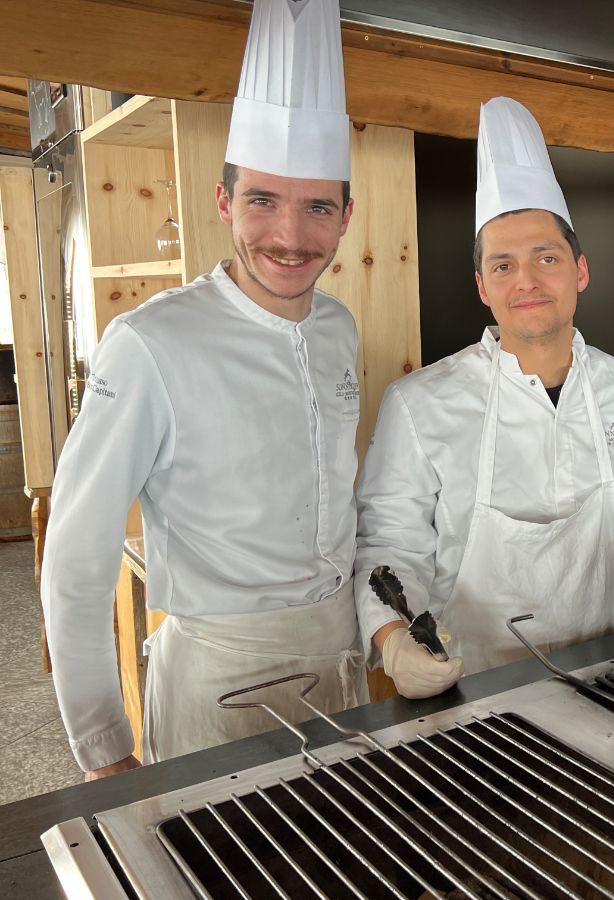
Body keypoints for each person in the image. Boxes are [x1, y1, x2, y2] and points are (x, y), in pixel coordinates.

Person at [41, 0, 365, 779]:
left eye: (317, 206)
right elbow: (76, 557)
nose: (290, 236)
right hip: (217, 679)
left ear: (347, 217)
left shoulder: (341, 329)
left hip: (342, 665)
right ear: (224, 203)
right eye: (262, 200)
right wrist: (101, 747)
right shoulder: (151, 344)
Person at [356, 97, 614, 692]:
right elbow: (388, 543)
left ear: (580, 271)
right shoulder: (419, 403)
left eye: (546, 258)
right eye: (503, 266)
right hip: (474, 700)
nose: (526, 281)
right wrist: (393, 638)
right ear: (482, 286)